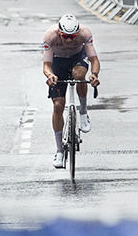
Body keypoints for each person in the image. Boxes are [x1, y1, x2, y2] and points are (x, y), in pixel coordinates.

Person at [42, 14, 100, 168]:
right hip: (58, 61)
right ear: (59, 32)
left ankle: (82, 113)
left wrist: (94, 75)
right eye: (65, 36)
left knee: (80, 74)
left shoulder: (85, 33)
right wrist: (50, 75)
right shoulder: (50, 35)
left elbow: (94, 59)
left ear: (77, 32)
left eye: (72, 36)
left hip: (77, 58)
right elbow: (46, 65)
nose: (68, 40)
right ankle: (59, 151)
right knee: (58, 105)